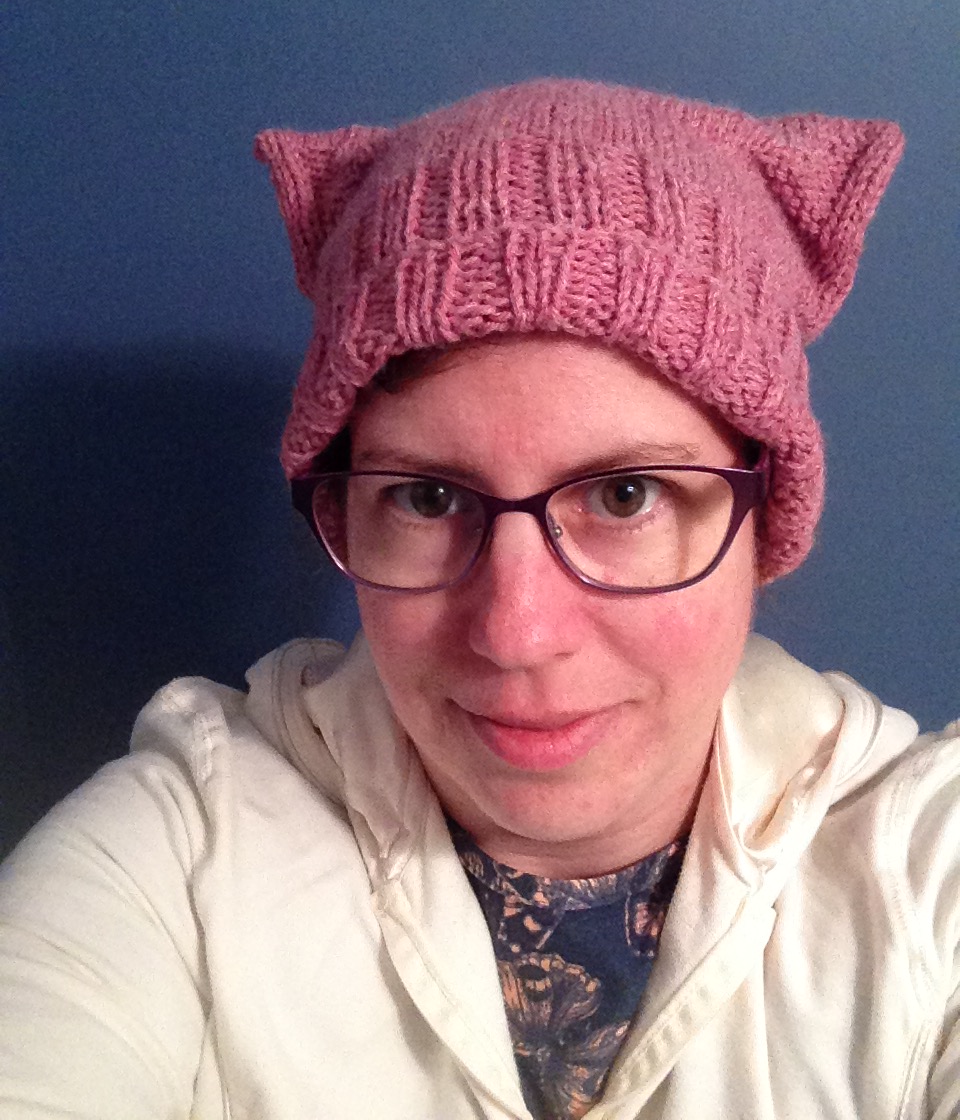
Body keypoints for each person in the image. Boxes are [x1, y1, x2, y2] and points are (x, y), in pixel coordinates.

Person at [0, 79, 957, 1120]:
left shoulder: (928, 873)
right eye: (426, 496)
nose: (516, 631)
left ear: (765, 517)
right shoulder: (179, 857)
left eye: (624, 494)